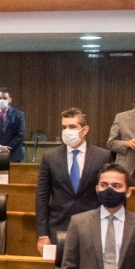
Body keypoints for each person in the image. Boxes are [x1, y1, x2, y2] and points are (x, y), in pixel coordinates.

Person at [35, 108, 109, 252]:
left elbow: (106, 194)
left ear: (85, 130)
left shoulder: (102, 156)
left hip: (92, 226)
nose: (67, 131)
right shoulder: (50, 157)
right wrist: (42, 234)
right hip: (58, 226)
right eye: (64, 127)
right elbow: (42, 196)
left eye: (72, 127)